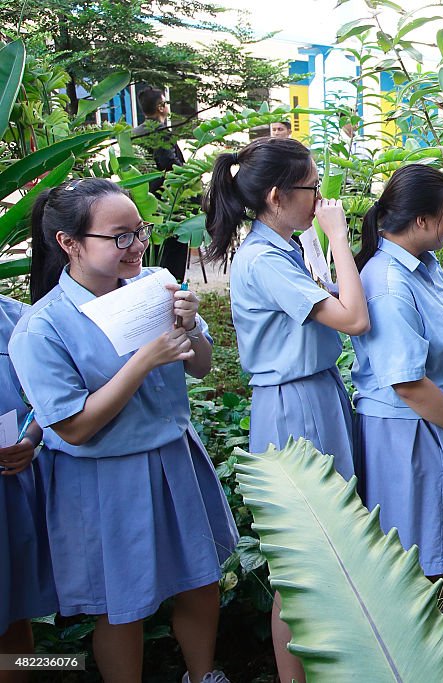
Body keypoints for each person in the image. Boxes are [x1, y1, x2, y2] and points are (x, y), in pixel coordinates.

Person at [11, 179, 237, 682]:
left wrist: (189, 325)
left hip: (174, 458)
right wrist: (141, 363)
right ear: (69, 243)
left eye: (138, 232)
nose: (135, 246)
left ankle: (204, 675)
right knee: (122, 606)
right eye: (118, 237)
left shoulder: (154, 283)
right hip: (102, 481)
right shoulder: (43, 327)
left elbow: (200, 366)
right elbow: (73, 428)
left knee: (201, 581)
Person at [203, 137, 369, 683]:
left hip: (314, 393)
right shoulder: (264, 259)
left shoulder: (280, 249)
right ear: (277, 195)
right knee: (301, 564)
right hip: (295, 403)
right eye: (312, 187)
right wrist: (339, 238)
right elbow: (352, 318)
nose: (319, 197)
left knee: (326, 553)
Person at [351, 164, 443, 606]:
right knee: (422, 552)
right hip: (410, 430)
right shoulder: (389, 283)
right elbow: (407, 382)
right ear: (424, 220)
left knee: (442, 540)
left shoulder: (422, 267)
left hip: (437, 421)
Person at [0, 295, 56, 683]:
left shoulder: (17, 318)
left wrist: (30, 439)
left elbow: (46, 397)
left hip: (7, 489)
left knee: (12, 612)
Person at [132, 87, 189, 281]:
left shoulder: (134, 133)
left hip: (144, 204)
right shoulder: (161, 132)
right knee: (173, 259)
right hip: (168, 204)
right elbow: (172, 166)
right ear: (160, 107)